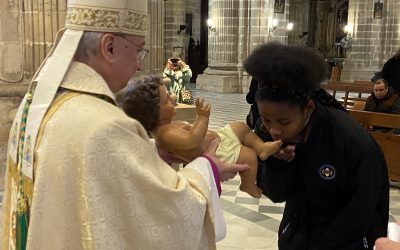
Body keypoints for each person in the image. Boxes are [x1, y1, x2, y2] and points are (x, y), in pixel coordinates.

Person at [0, 0, 250, 249]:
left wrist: (149, 153)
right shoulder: (105, 124)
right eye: (138, 51)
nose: (140, 64)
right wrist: (208, 168)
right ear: (109, 47)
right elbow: (165, 218)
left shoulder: (36, 105)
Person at [244, 42, 389, 250]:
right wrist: (279, 164)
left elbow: (362, 210)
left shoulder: (351, 140)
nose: (274, 130)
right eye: (266, 119)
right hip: (297, 235)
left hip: (345, 241)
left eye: (284, 122)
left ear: (308, 108)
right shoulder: (265, 130)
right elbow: (276, 194)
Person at [120, 78, 282, 198]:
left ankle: (262, 148)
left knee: (240, 127)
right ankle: (247, 185)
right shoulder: (165, 134)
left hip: (218, 140)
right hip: (215, 152)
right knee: (248, 156)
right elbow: (192, 141)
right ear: (154, 113)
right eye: (166, 100)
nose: (173, 98)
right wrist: (202, 117)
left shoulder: (168, 126)